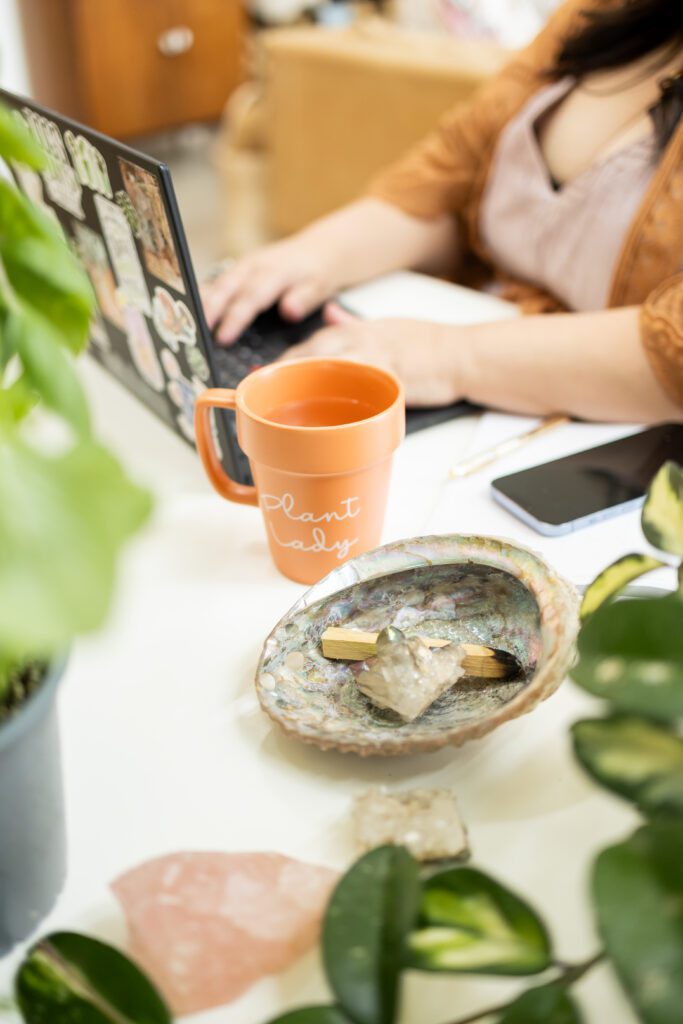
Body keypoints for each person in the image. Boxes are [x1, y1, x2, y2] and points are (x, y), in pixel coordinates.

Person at [203, 0, 683, 423]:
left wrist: (445, 357)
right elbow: (451, 178)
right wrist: (314, 255)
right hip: (483, 392)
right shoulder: (597, 14)